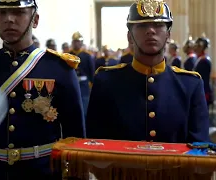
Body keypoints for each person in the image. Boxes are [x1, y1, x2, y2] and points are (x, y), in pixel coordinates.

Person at [0, 0, 85, 179]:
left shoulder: (59, 68)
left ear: (35, 20)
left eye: (18, 12)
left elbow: (75, 135)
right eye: (1, 12)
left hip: (41, 172)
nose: (8, 19)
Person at [86, 0, 209, 143]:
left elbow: (200, 150)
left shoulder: (190, 85)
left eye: (158, 25)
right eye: (142, 25)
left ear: (168, 36)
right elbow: (94, 146)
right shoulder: (106, 82)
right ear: (129, 37)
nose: (150, 30)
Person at [70, 32, 95, 118]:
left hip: (84, 84)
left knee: (84, 108)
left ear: (81, 42)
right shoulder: (68, 55)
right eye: (75, 41)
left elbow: (91, 71)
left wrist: (92, 84)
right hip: (72, 83)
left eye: (78, 41)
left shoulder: (87, 55)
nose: (76, 43)